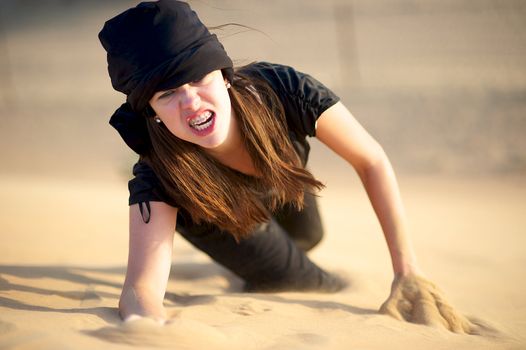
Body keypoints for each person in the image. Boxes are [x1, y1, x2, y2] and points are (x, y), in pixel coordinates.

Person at [98, 0, 478, 334]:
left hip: (281, 182)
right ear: (152, 113)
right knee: (308, 281)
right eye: (167, 94)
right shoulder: (158, 174)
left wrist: (407, 271)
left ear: (224, 75)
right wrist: (151, 328)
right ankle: (256, 265)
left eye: (198, 78)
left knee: (310, 235)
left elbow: (371, 159)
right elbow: (139, 290)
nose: (191, 103)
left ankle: (262, 260)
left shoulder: (285, 91)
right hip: (223, 221)